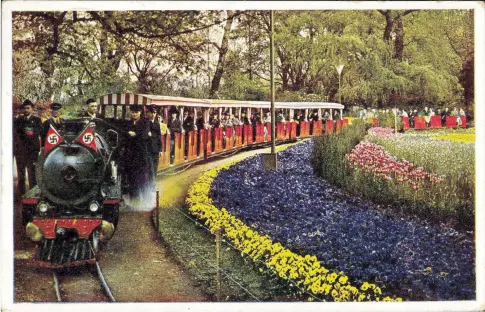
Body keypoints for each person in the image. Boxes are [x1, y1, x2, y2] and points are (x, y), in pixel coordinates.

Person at [122, 104, 153, 201]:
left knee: (143, 178)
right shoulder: (127, 123)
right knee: (132, 179)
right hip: (130, 155)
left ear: (140, 112)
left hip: (141, 155)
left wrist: (134, 135)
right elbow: (124, 135)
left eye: (136, 112)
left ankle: (146, 200)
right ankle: (134, 200)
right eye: (132, 112)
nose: (134, 114)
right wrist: (132, 134)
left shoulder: (145, 122)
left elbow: (145, 136)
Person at [14, 99, 43, 196]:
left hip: (32, 151)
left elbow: (38, 132)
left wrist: (30, 133)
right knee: (21, 174)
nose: (26, 110)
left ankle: (33, 194)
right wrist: (28, 132)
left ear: (32, 109)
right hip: (21, 151)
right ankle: (21, 195)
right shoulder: (18, 121)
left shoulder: (37, 120)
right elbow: (17, 134)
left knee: (32, 174)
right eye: (24, 108)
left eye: (28, 108)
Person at [145, 105, 162, 180]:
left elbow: (159, 137)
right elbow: (147, 135)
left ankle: (154, 183)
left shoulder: (157, 124)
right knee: (150, 168)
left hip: (156, 149)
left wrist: (160, 150)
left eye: (154, 113)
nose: (153, 115)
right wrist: (151, 136)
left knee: (155, 167)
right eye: (152, 113)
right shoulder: (146, 123)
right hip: (148, 149)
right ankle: (151, 184)